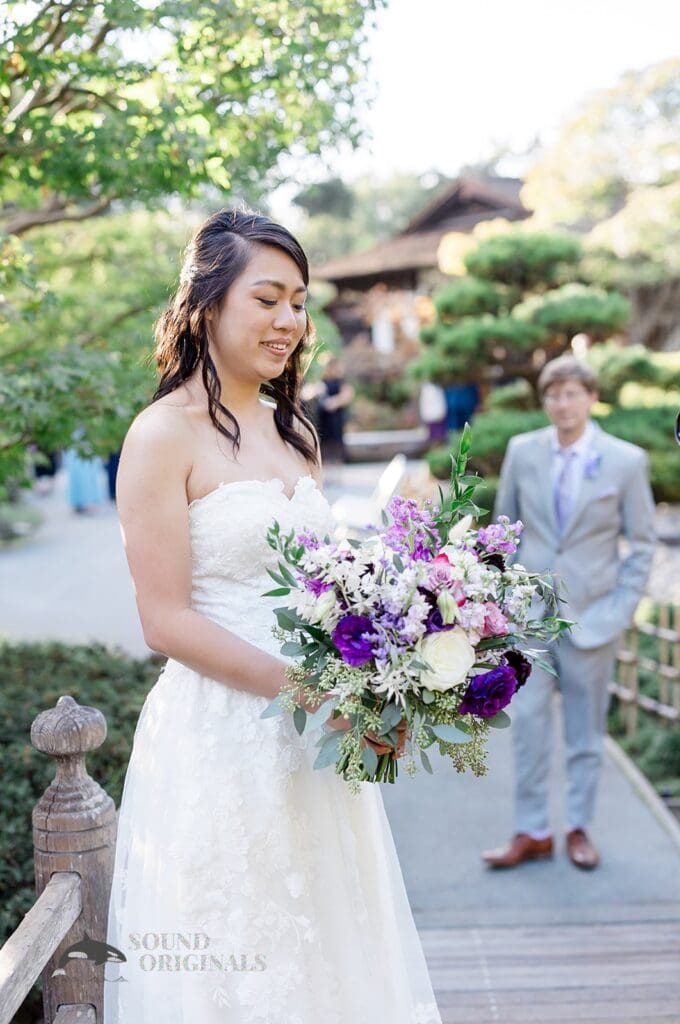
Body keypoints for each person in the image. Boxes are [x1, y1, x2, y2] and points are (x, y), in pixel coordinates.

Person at [104, 208, 442, 1023]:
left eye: (300, 301)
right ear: (206, 304)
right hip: (218, 737)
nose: (290, 320)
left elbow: (325, 589)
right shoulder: (160, 437)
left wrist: (383, 669)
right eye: (268, 298)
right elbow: (164, 620)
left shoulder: (296, 433)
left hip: (315, 743)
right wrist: (309, 690)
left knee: (332, 951)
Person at [482, 355, 656, 871]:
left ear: (591, 397)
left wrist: (617, 612)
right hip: (530, 625)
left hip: (593, 622)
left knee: (585, 734)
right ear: (545, 401)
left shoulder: (626, 461)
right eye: (554, 395)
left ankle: (579, 827)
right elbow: (504, 533)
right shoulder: (523, 451)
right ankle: (532, 830)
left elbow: (642, 547)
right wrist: (503, 609)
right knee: (529, 729)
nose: (563, 403)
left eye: (573, 393)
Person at [315, 356, 354, 465]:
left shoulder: (341, 380)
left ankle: (337, 462)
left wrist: (334, 402)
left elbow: (347, 395)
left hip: (336, 415)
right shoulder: (323, 380)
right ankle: (325, 462)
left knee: (336, 439)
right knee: (324, 439)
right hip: (324, 415)